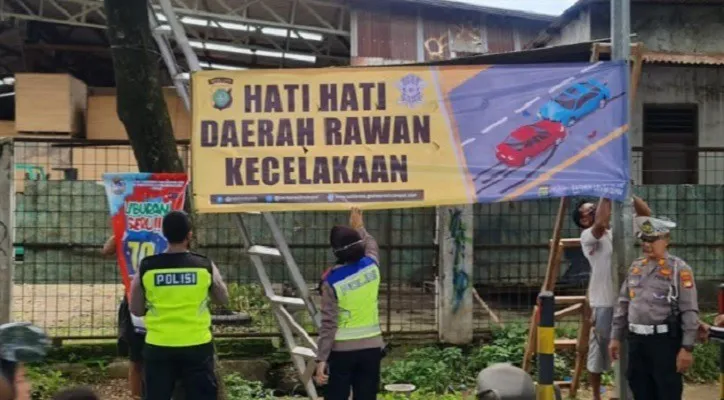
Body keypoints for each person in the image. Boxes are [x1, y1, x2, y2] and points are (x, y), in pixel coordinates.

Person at [129, 211, 229, 400]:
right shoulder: (204, 265)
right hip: (197, 345)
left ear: (164, 234)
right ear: (189, 234)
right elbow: (222, 299)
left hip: (159, 346)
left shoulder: (147, 267)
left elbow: (135, 309)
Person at [609, 216, 699, 400]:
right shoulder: (636, 267)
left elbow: (689, 310)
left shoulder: (678, 269)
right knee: (639, 387)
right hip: (636, 341)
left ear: (666, 240)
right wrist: (615, 337)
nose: (646, 245)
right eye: (643, 239)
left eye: (652, 240)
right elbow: (623, 304)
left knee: (667, 390)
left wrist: (687, 348)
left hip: (664, 342)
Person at [572, 195, 651, 400]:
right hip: (604, 302)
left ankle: (629, 393)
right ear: (583, 220)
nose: (596, 208)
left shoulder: (617, 231)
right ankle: (597, 396)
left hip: (630, 301)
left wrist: (626, 193)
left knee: (632, 350)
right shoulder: (588, 236)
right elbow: (601, 223)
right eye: (590, 209)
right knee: (598, 354)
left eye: (595, 207)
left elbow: (646, 216)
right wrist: (608, 192)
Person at [314, 207, 383, 400]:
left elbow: (329, 324)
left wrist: (321, 359)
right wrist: (359, 226)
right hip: (372, 348)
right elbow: (371, 243)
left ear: (336, 252)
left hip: (342, 352)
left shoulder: (332, 281)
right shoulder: (372, 266)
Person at [101, 235, 145, 399]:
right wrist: (122, 230)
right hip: (133, 297)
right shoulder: (129, 230)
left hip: (160, 299)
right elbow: (106, 250)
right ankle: (136, 396)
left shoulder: (163, 227)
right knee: (136, 358)